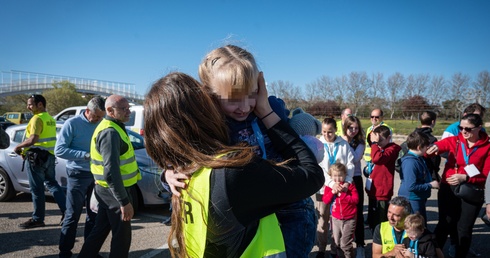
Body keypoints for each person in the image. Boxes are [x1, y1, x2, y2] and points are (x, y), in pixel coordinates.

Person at [144, 72, 324, 257]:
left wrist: (167, 173)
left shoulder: (185, 172)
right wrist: (266, 111)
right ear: (204, 113)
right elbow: (312, 176)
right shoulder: (233, 170)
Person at [78, 95, 141, 258]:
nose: (129, 112)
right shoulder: (110, 132)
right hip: (113, 192)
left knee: (99, 231)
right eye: (124, 109)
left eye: (129, 108)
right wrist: (124, 201)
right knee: (122, 237)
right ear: (110, 111)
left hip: (107, 190)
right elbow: (111, 172)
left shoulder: (114, 126)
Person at [426, 113, 490, 258]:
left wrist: (466, 177)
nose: (464, 131)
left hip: (472, 191)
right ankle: (433, 255)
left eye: (468, 128)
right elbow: (436, 148)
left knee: (464, 229)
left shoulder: (487, 147)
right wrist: (432, 149)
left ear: (479, 128)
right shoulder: (455, 141)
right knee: (444, 225)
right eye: (461, 128)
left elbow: (487, 175)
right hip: (449, 189)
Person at [56, 96, 106, 258]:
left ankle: (89, 251)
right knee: (72, 214)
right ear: (87, 111)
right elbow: (60, 150)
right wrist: (85, 155)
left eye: (101, 117)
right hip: (77, 174)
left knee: (94, 215)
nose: (99, 120)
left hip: (96, 175)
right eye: (96, 116)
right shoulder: (72, 124)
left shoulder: (102, 123)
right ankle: (65, 252)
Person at [15, 94, 66, 229]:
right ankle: (67, 212)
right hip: (49, 156)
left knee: (37, 189)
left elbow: (33, 140)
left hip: (36, 158)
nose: (28, 107)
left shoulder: (37, 119)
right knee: (53, 184)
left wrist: (19, 147)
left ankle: (38, 219)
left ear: (40, 104)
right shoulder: (50, 118)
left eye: (31, 104)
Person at [316, 117, 354, 258]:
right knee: (323, 220)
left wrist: (347, 182)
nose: (327, 135)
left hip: (342, 188)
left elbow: (350, 164)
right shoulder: (319, 144)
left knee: (338, 220)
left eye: (330, 132)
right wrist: (331, 184)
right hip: (324, 188)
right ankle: (321, 249)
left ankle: (336, 248)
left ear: (336, 130)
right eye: (324, 132)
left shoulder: (343, 144)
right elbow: (318, 167)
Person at [398, 131, 439, 222]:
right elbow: (411, 186)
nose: (428, 149)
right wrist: (430, 185)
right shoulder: (410, 163)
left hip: (417, 198)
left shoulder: (418, 157)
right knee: (415, 226)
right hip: (412, 199)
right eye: (426, 147)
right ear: (419, 147)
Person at [366, 125, 401, 232]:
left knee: (381, 222)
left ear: (388, 138)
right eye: (376, 140)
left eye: (380, 140)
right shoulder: (378, 148)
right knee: (373, 221)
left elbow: (377, 159)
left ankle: (381, 242)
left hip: (382, 192)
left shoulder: (392, 149)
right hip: (373, 190)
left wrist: (374, 144)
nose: (378, 143)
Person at [341, 115, 367, 258]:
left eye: (356, 128)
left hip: (355, 179)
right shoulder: (340, 139)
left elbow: (355, 158)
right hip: (341, 178)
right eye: (351, 127)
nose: (353, 130)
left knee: (357, 213)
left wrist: (346, 144)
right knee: (341, 213)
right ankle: (342, 245)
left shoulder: (360, 143)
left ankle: (361, 245)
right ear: (345, 127)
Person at [322, 163, 358, 258]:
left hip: (349, 218)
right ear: (331, 176)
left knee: (345, 243)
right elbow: (325, 200)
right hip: (335, 218)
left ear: (345, 175)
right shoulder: (330, 186)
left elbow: (355, 200)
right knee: (336, 242)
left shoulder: (349, 186)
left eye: (340, 176)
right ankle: (336, 255)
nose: (337, 179)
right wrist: (332, 192)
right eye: (335, 176)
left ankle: (349, 256)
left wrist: (343, 195)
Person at [363, 109, 393, 177]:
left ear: (382, 117)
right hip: (368, 159)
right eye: (372, 116)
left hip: (378, 159)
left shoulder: (386, 129)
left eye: (377, 117)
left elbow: (388, 145)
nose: (374, 118)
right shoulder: (369, 129)